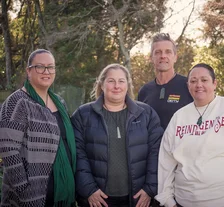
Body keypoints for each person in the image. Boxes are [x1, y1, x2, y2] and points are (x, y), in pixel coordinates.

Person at [155, 63, 224, 207]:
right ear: (188, 85)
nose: (198, 85)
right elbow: (166, 160)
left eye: (204, 80)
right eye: (193, 81)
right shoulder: (179, 117)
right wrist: (167, 199)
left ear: (214, 83)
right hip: (185, 201)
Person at [71, 63, 164, 207]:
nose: (116, 86)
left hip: (137, 198)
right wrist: (89, 190)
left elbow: (156, 153)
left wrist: (149, 189)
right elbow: (77, 155)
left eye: (121, 81)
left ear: (128, 85)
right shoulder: (83, 115)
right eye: (111, 81)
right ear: (102, 85)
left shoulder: (146, 114)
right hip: (98, 199)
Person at [0, 49, 76, 207]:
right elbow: (8, 150)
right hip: (31, 196)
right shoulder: (18, 102)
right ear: (29, 71)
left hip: (61, 192)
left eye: (51, 67)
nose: (46, 71)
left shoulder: (60, 102)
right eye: (40, 67)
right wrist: (25, 191)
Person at [137, 33, 193, 130]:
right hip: (153, 145)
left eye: (168, 52)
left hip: (181, 144)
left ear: (175, 57)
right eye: (158, 52)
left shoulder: (188, 86)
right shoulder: (144, 91)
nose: (163, 56)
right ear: (151, 58)